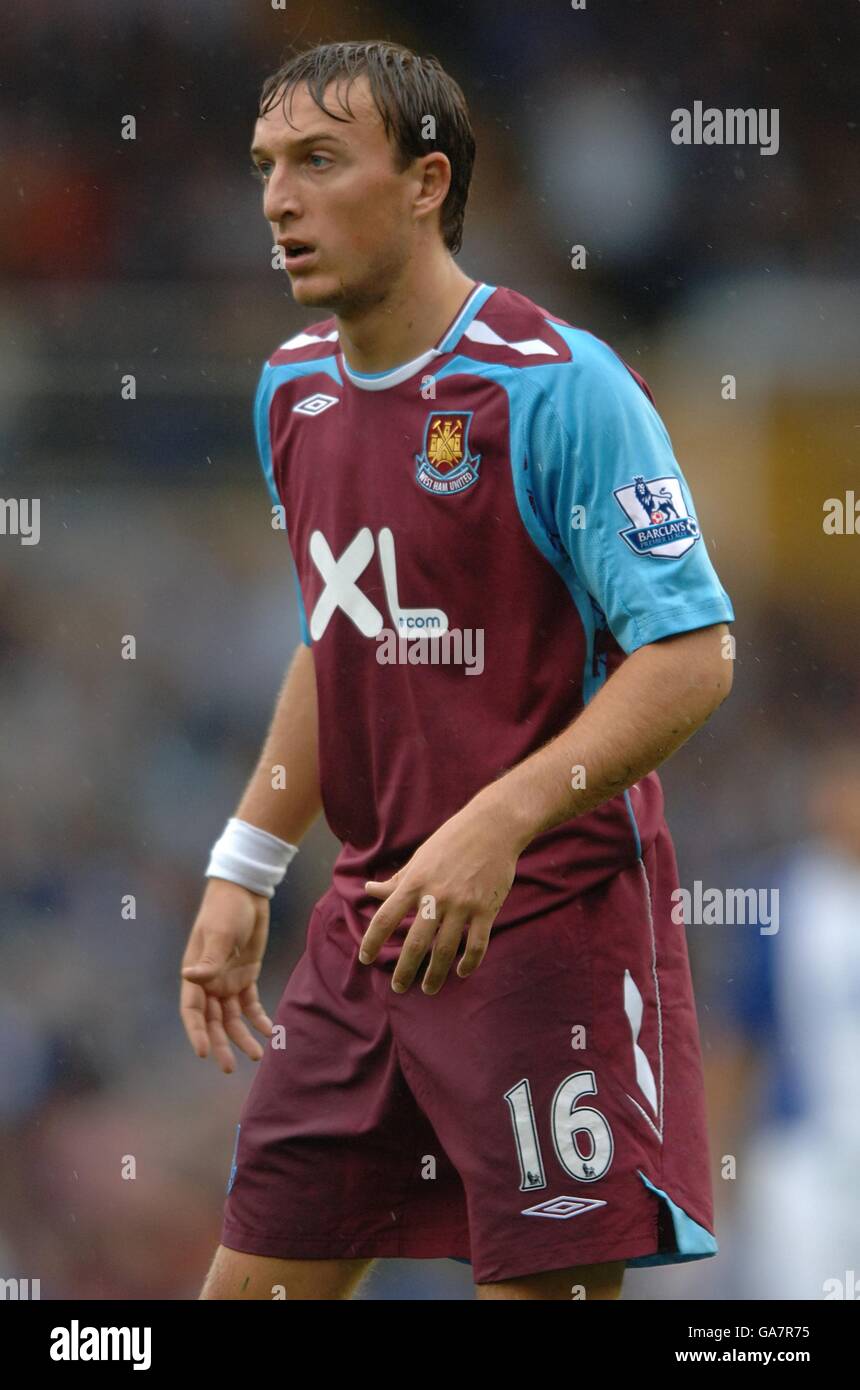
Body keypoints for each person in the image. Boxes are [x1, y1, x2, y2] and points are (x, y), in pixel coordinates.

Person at [179, 39, 735, 1301]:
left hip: (542, 931)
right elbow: (343, 638)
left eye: (319, 162)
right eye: (267, 165)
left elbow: (693, 653)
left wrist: (497, 822)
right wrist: (246, 861)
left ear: (426, 183)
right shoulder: (290, 391)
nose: (277, 200)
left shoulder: (558, 387)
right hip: (367, 931)